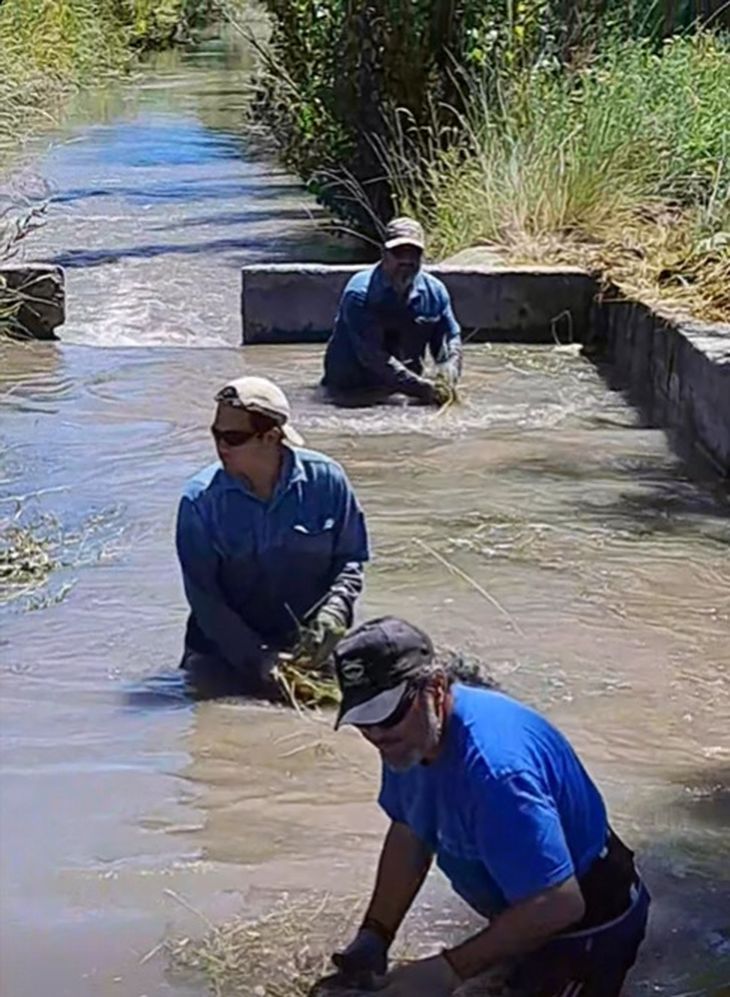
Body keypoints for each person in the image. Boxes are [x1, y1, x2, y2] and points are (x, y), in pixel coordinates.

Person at [329, 617, 651, 997]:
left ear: (434, 687)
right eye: (364, 721)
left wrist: (449, 970)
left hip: (588, 925)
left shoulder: (497, 773)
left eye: (386, 714)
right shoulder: (408, 738)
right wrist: (375, 935)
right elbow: (410, 831)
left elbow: (560, 905)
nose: (377, 734)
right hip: (523, 910)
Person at [175, 376, 369, 698]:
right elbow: (205, 600)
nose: (221, 446)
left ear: (271, 437)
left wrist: (335, 611)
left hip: (308, 651)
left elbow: (351, 558)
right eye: (216, 434)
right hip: (220, 653)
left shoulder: (328, 482)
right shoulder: (200, 502)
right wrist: (256, 658)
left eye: (233, 437)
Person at [321, 217, 462, 406]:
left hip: (405, 391)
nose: (406, 260)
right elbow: (372, 357)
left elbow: (450, 340)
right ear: (384, 254)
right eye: (398, 252)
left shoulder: (436, 293)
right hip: (351, 392)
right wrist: (424, 389)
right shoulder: (360, 294)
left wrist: (448, 376)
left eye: (414, 253)